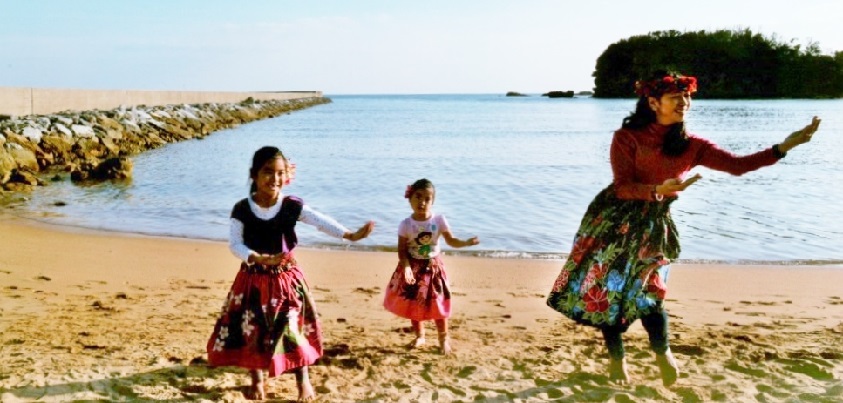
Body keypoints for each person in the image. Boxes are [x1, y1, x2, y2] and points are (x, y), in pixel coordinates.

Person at [546, 70, 821, 387]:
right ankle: (617, 362)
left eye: (687, 97)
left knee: (651, 295)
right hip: (614, 221)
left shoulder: (692, 146)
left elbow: (738, 165)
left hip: (654, 226)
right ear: (653, 102)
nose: (684, 103)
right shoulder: (627, 137)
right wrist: (657, 189)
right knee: (609, 293)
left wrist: (784, 147)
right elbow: (622, 187)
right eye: (676, 98)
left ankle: (663, 353)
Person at [206, 146, 375, 401]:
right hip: (253, 279)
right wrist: (255, 257)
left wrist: (349, 235)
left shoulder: (291, 205)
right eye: (267, 172)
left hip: (286, 280)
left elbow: (320, 221)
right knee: (253, 330)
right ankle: (257, 378)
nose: (273, 179)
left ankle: (303, 380)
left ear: (287, 176)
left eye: (279, 173)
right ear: (254, 174)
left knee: (292, 329)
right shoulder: (241, 209)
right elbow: (235, 244)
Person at [383, 178, 480, 355]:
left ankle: (443, 338)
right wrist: (406, 268)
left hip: (433, 268)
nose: (422, 202)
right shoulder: (406, 225)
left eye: (427, 199)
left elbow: (451, 241)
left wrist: (466, 242)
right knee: (413, 304)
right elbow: (402, 251)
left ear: (432, 201)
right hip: (412, 267)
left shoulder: (439, 220)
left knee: (438, 304)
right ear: (410, 198)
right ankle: (420, 335)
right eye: (418, 197)